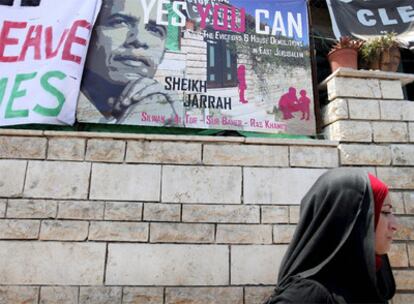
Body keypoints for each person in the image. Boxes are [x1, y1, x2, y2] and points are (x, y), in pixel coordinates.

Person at [264, 168, 398, 303]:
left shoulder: (367, 284)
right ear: (350, 220)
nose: (395, 225)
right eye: (385, 212)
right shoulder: (307, 297)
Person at [78, 0, 180, 124]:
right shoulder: (63, 105)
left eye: (155, 30)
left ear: (163, 53)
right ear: (91, 34)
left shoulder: (163, 108)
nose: (139, 39)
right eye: (120, 22)